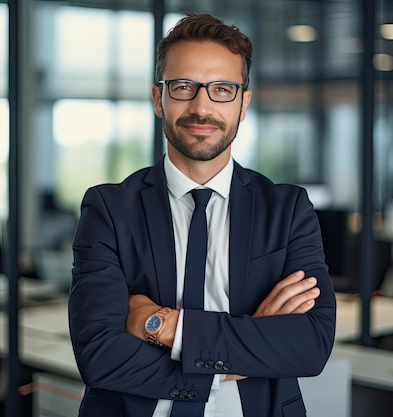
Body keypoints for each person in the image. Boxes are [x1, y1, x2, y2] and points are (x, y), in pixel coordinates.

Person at [68, 12, 336, 417]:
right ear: (159, 99)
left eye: (222, 89)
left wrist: (162, 325)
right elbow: (99, 354)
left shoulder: (286, 209)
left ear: (243, 103)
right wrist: (248, 347)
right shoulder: (108, 208)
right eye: (183, 87)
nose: (201, 106)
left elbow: (310, 345)